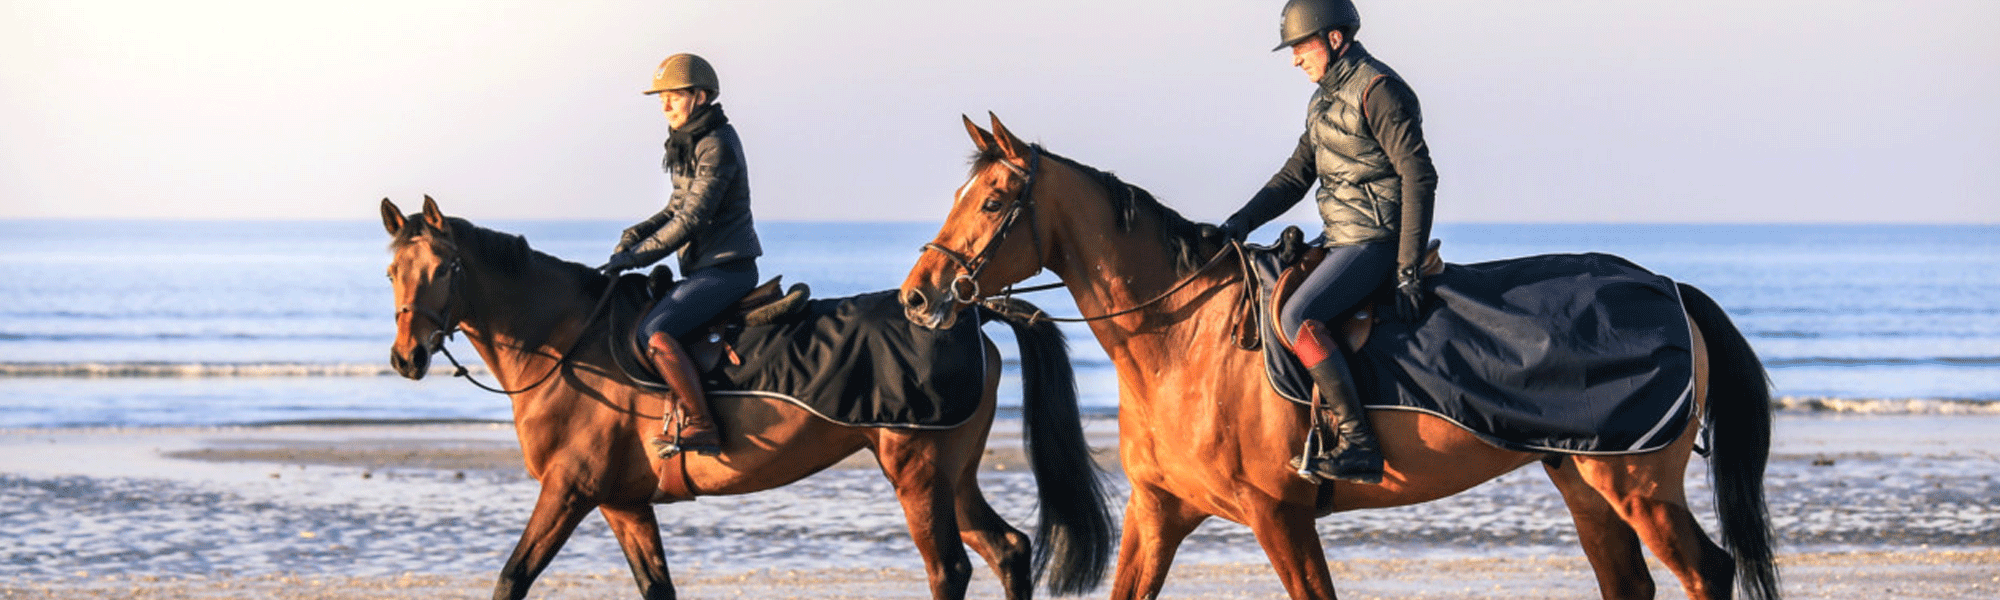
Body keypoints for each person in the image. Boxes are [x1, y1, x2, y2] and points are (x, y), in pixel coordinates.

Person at [1218, 0, 1439, 484]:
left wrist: (1406, 270)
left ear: (1334, 39)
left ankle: (1359, 441)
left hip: (1375, 238)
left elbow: (1418, 176)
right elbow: (1295, 175)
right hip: (1341, 235)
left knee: (1298, 316)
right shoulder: (1322, 99)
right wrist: (1240, 222)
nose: (1295, 59)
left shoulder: (1378, 90)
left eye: (1300, 47)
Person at [601, 53, 763, 457]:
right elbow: (676, 207)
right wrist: (635, 235)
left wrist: (638, 258)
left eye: (673, 96)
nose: (665, 105)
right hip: (701, 269)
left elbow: (693, 217)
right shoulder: (687, 141)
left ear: (701, 96)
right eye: (661, 99)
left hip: (727, 270)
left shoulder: (717, 144)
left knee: (654, 334)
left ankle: (704, 425)